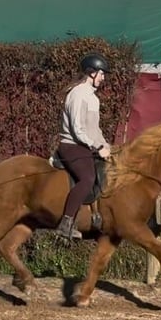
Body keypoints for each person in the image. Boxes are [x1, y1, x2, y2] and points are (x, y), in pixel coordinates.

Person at [54, 53, 112, 239]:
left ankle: (97, 216)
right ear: (92, 73)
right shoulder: (78, 94)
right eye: (102, 74)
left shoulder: (93, 97)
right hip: (72, 145)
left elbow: (94, 129)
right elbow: (77, 129)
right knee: (87, 178)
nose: (103, 78)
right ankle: (66, 223)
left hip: (87, 146)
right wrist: (97, 147)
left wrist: (106, 146)